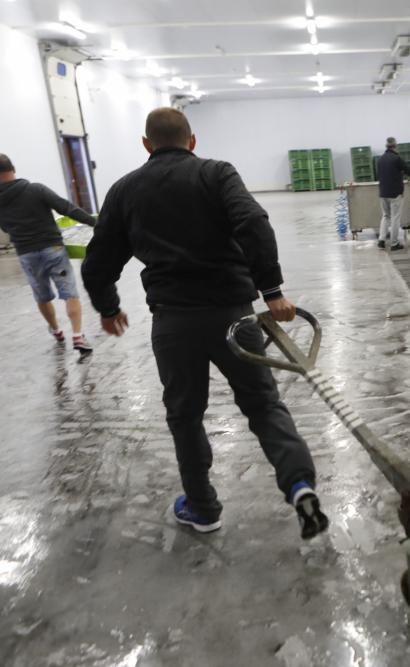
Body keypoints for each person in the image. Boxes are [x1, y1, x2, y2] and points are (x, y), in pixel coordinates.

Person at [81, 108, 329, 539]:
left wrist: (107, 307)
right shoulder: (216, 174)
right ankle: (299, 484)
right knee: (264, 406)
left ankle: (201, 507)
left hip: (174, 324)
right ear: (192, 141)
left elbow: (98, 259)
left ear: (146, 145)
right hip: (235, 317)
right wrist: (271, 291)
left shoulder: (124, 190)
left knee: (185, 415)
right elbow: (253, 222)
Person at [0, 152, 96, 352]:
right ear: (13, 169)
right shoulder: (35, 190)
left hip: (27, 254)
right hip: (53, 249)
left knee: (42, 296)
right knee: (70, 293)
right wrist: (96, 222)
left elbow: (5, 228)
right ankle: (78, 336)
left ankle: (56, 330)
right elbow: (67, 208)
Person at [376, 137, 410, 250]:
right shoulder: (396, 159)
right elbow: (409, 170)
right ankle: (394, 243)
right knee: (395, 218)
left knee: (385, 216)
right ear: (395, 146)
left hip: (383, 193)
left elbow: (378, 175)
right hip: (395, 194)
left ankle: (381, 240)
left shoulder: (380, 159)